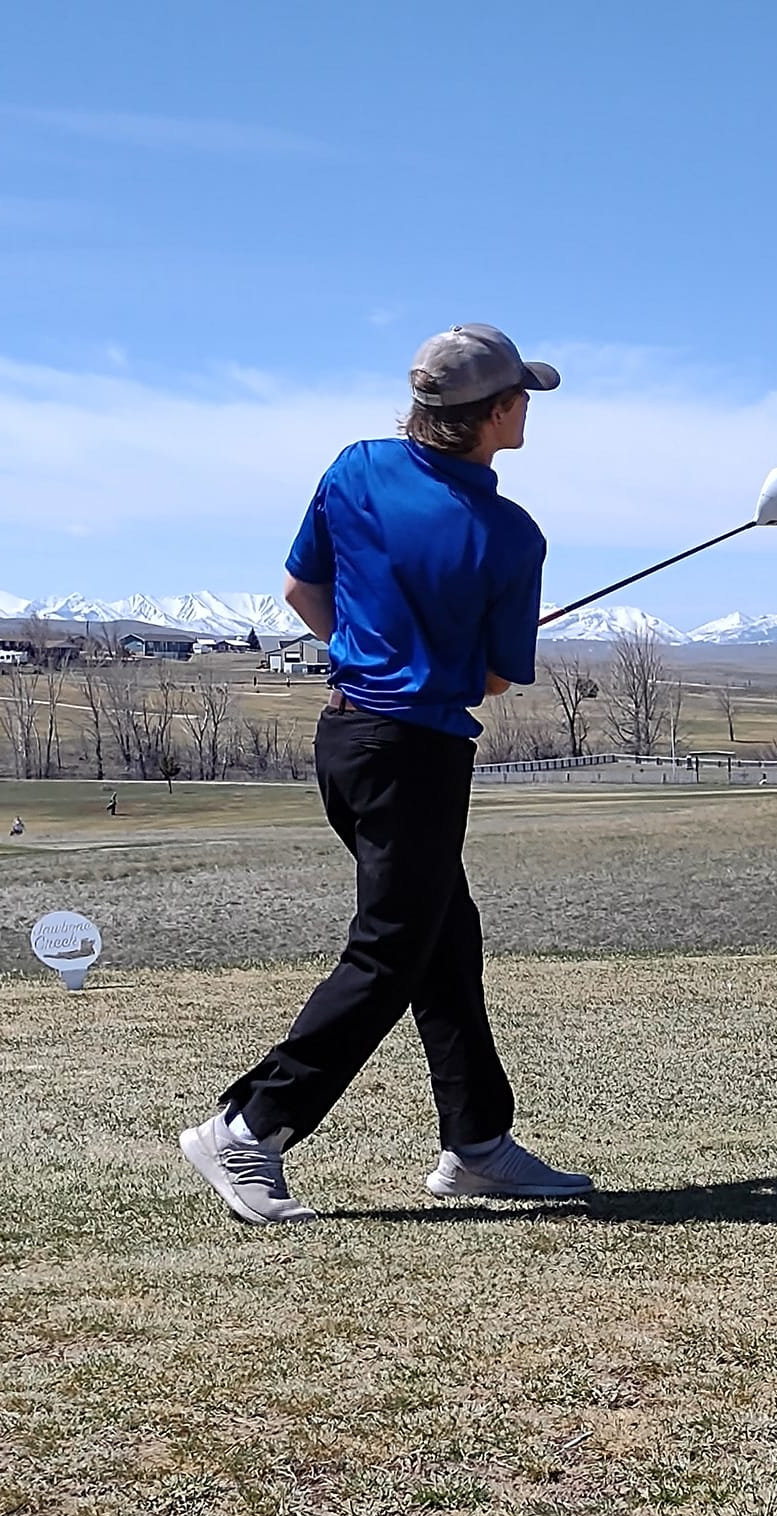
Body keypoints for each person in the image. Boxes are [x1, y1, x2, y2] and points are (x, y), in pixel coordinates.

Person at [180, 323, 593, 1225]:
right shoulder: (509, 534)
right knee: (391, 951)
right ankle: (251, 1126)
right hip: (417, 755)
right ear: (497, 412)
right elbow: (488, 676)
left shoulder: (357, 467)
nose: (528, 407)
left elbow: (301, 591)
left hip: (348, 740)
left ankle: (477, 1142)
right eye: (522, 395)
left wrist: (371, 652)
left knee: (444, 935)